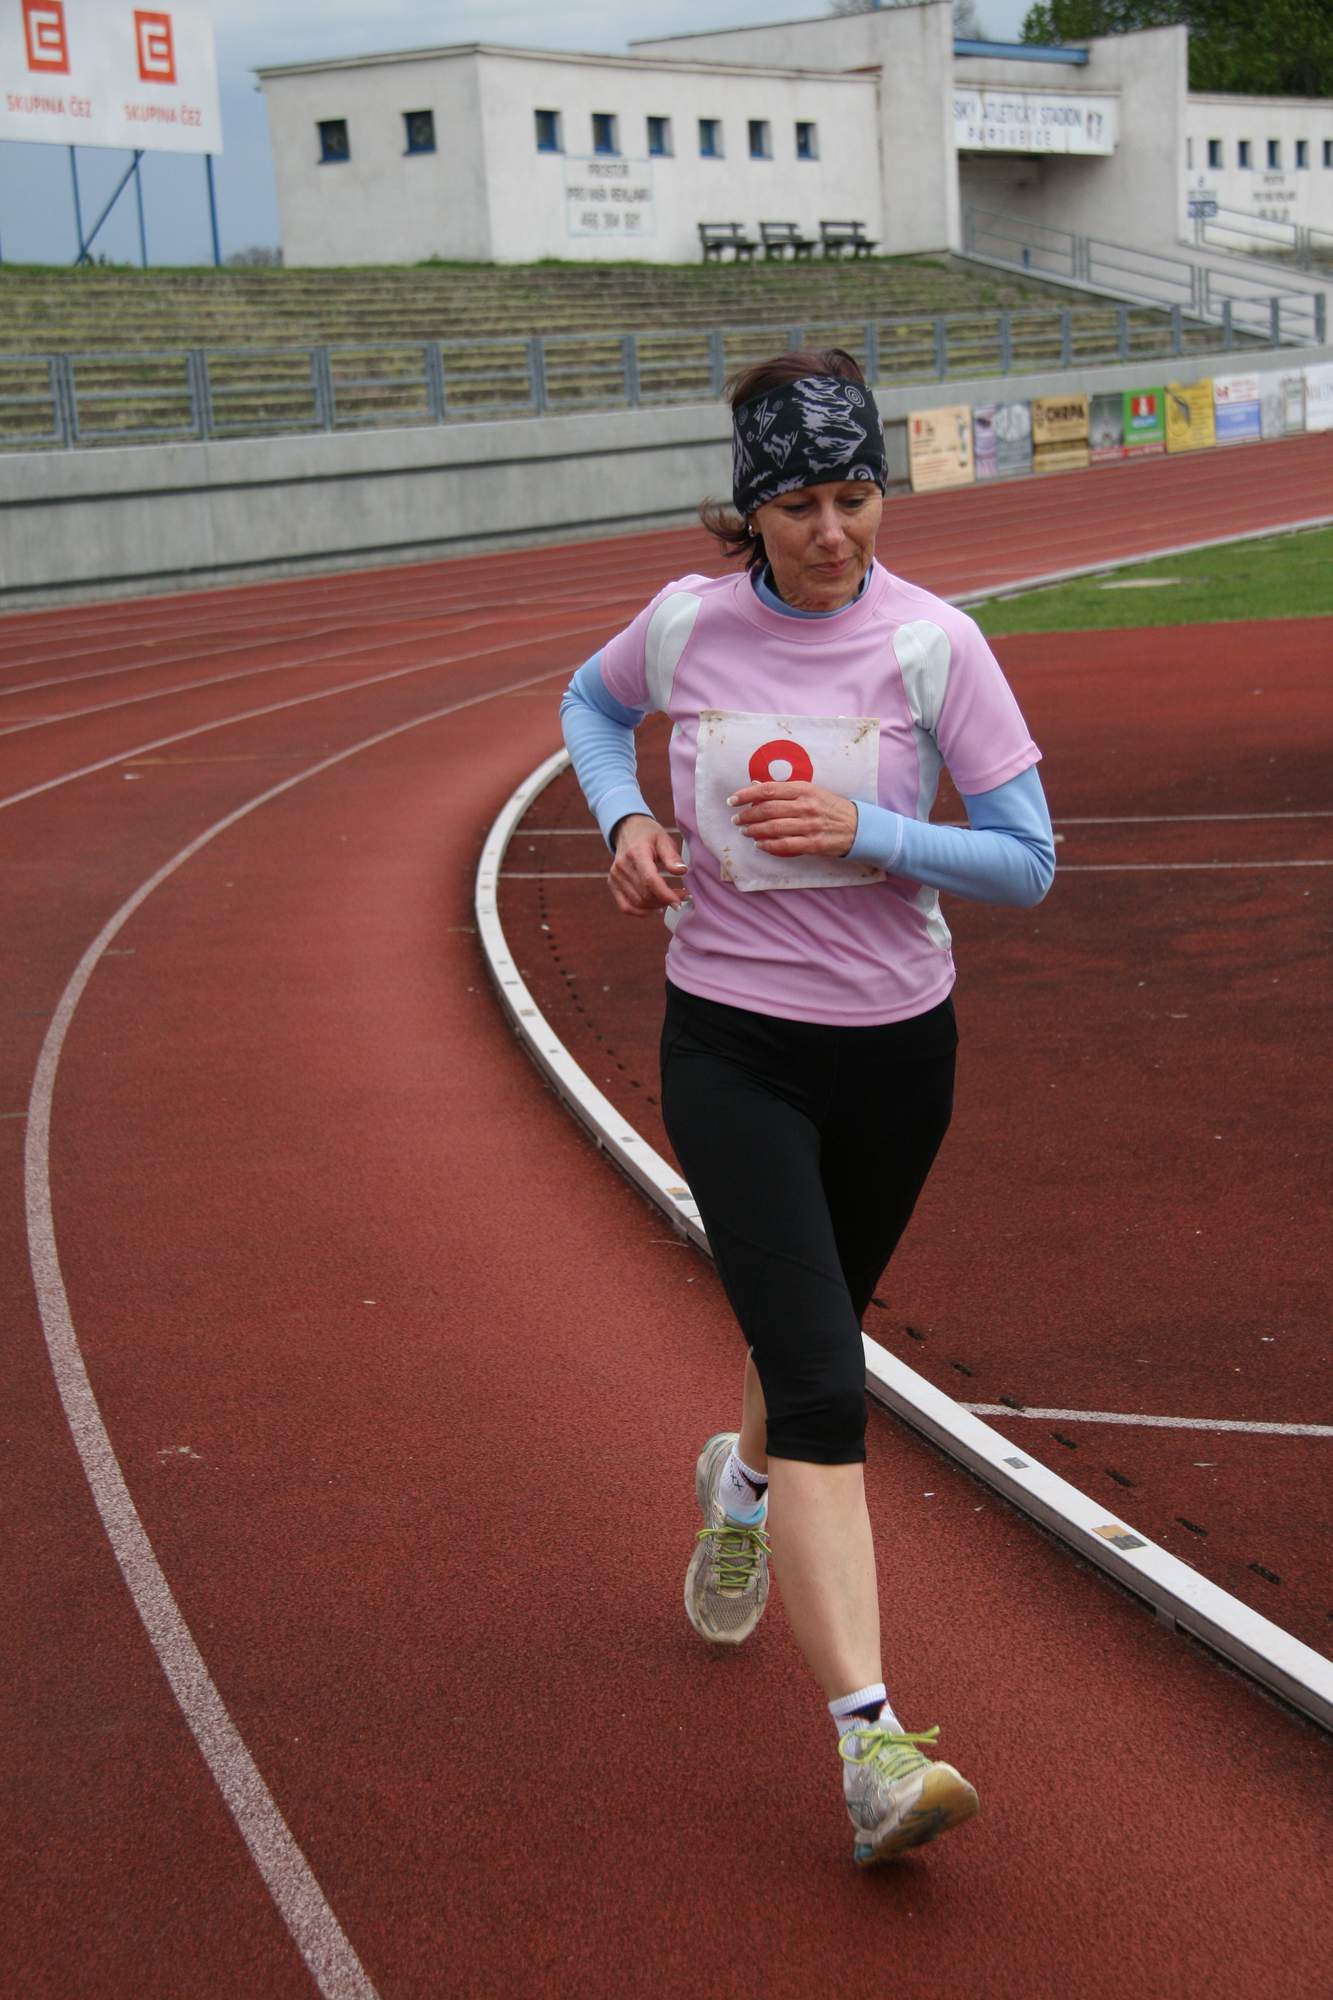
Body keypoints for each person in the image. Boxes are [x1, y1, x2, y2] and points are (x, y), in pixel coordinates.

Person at [559, 349, 1055, 1866]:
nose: (833, 532)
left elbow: (1027, 859)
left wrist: (873, 828)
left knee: (813, 1334)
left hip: (898, 1056)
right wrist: (624, 817)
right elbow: (590, 706)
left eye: (855, 497)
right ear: (750, 512)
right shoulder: (686, 624)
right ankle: (871, 1748)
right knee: (831, 1382)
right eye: (798, 505)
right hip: (732, 1050)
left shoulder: (937, 647)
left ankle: (741, 1488)